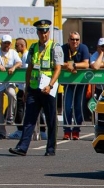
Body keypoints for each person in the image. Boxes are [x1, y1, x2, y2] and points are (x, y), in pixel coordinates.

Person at [9, 20, 63, 157]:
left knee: (51, 120)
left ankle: (50, 148)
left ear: (48, 32)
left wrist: (50, 85)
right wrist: (26, 89)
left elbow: (58, 68)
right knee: (29, 119)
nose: (43, 34)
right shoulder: (33, 48)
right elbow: (29, 69)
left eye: (45, 31)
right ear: (37, 33)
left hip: (48, 88)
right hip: (34, 88)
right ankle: (22, 147)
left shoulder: (55, 47)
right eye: (41, 31)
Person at [0, 34, 23, 140]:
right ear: (1, 43)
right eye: (5, 43)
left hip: (8, 82)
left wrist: (14, 67)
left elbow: (19, 62)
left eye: (9, 43)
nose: (7, 45)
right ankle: (2, 132)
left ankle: (10, 116)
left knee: (12, 94)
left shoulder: (13, 52)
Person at [61, 31, 90, 140]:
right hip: (68, 82)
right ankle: (67, 130)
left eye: (77, 39)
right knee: (67, 107)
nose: (75, 41)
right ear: (68, 40)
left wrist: (74, 65)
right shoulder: (63, 48)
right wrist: (67, 65)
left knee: (78, 106)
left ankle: (76, 130)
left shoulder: (83, 48)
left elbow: (86, 64)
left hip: (80, 82)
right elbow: (58, 63)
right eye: (72, 39)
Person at [9, 38, 29, 140]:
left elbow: (26, 72)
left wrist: (25, 89)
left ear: (22, 46)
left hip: (24, 88)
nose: (15, 47)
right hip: (23, 87)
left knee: (19, 109)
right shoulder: (24, 55)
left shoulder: (25, 56)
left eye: (16, 45)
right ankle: (42, 131)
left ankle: (20, 131)